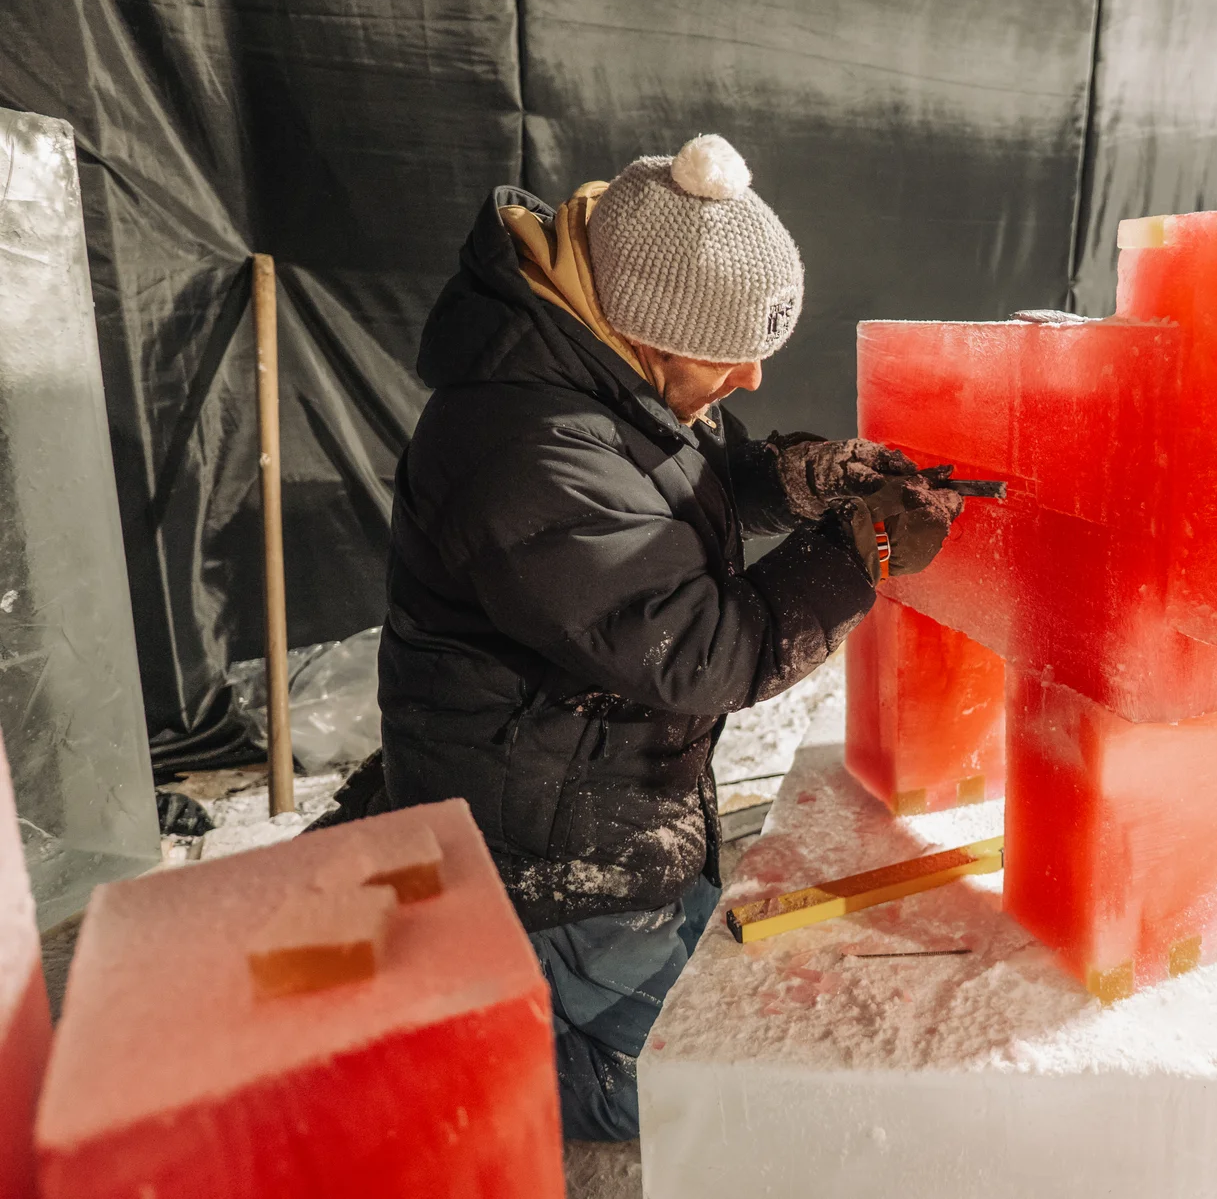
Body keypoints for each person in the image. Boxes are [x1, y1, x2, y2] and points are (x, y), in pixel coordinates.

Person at [349, 134, 962, 1139]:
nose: (755, 375)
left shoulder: (593, 367)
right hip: (541, 862)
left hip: (606, 810)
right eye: (726, 354)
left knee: (733, 1025)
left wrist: (800, 479)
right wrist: (857, 554)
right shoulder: (524, 450)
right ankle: (470, 1041)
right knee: (710, 1098)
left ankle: (550, 1002)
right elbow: (701, 650)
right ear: (646, 335)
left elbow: (679, 477)